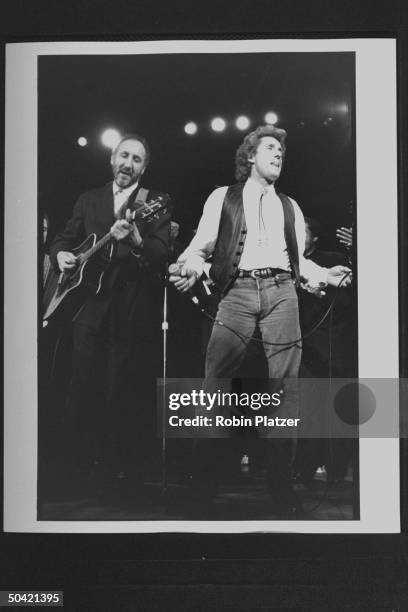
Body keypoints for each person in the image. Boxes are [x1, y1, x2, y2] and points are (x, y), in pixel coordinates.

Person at [170, 124, 351, 516]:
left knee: (286, 391)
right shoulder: (223, 198)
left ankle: (281, 484)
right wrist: (187, 267)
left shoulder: (291, 206)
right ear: (250, 156)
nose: (278, 154)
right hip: (235, 294)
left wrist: (325, 275)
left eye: (281, 151)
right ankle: (202, 484)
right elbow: (199, 248)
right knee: (214, 387)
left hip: (282, 293)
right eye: (270, 148)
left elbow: (301, 263)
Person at [47, 134, 171, 499]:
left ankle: (115, 474)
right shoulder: (89, 199)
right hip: (87, 306)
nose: (128, 164)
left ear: (144, 168)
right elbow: (62, 239)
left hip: (128, 310)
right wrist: (61, 257)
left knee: (118, 393)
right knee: (79, 389)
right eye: (123, 156)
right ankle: (75, 471)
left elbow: (160, 253)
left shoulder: (154, 203)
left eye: (136, 159)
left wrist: (134, 240)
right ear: (112, 159)